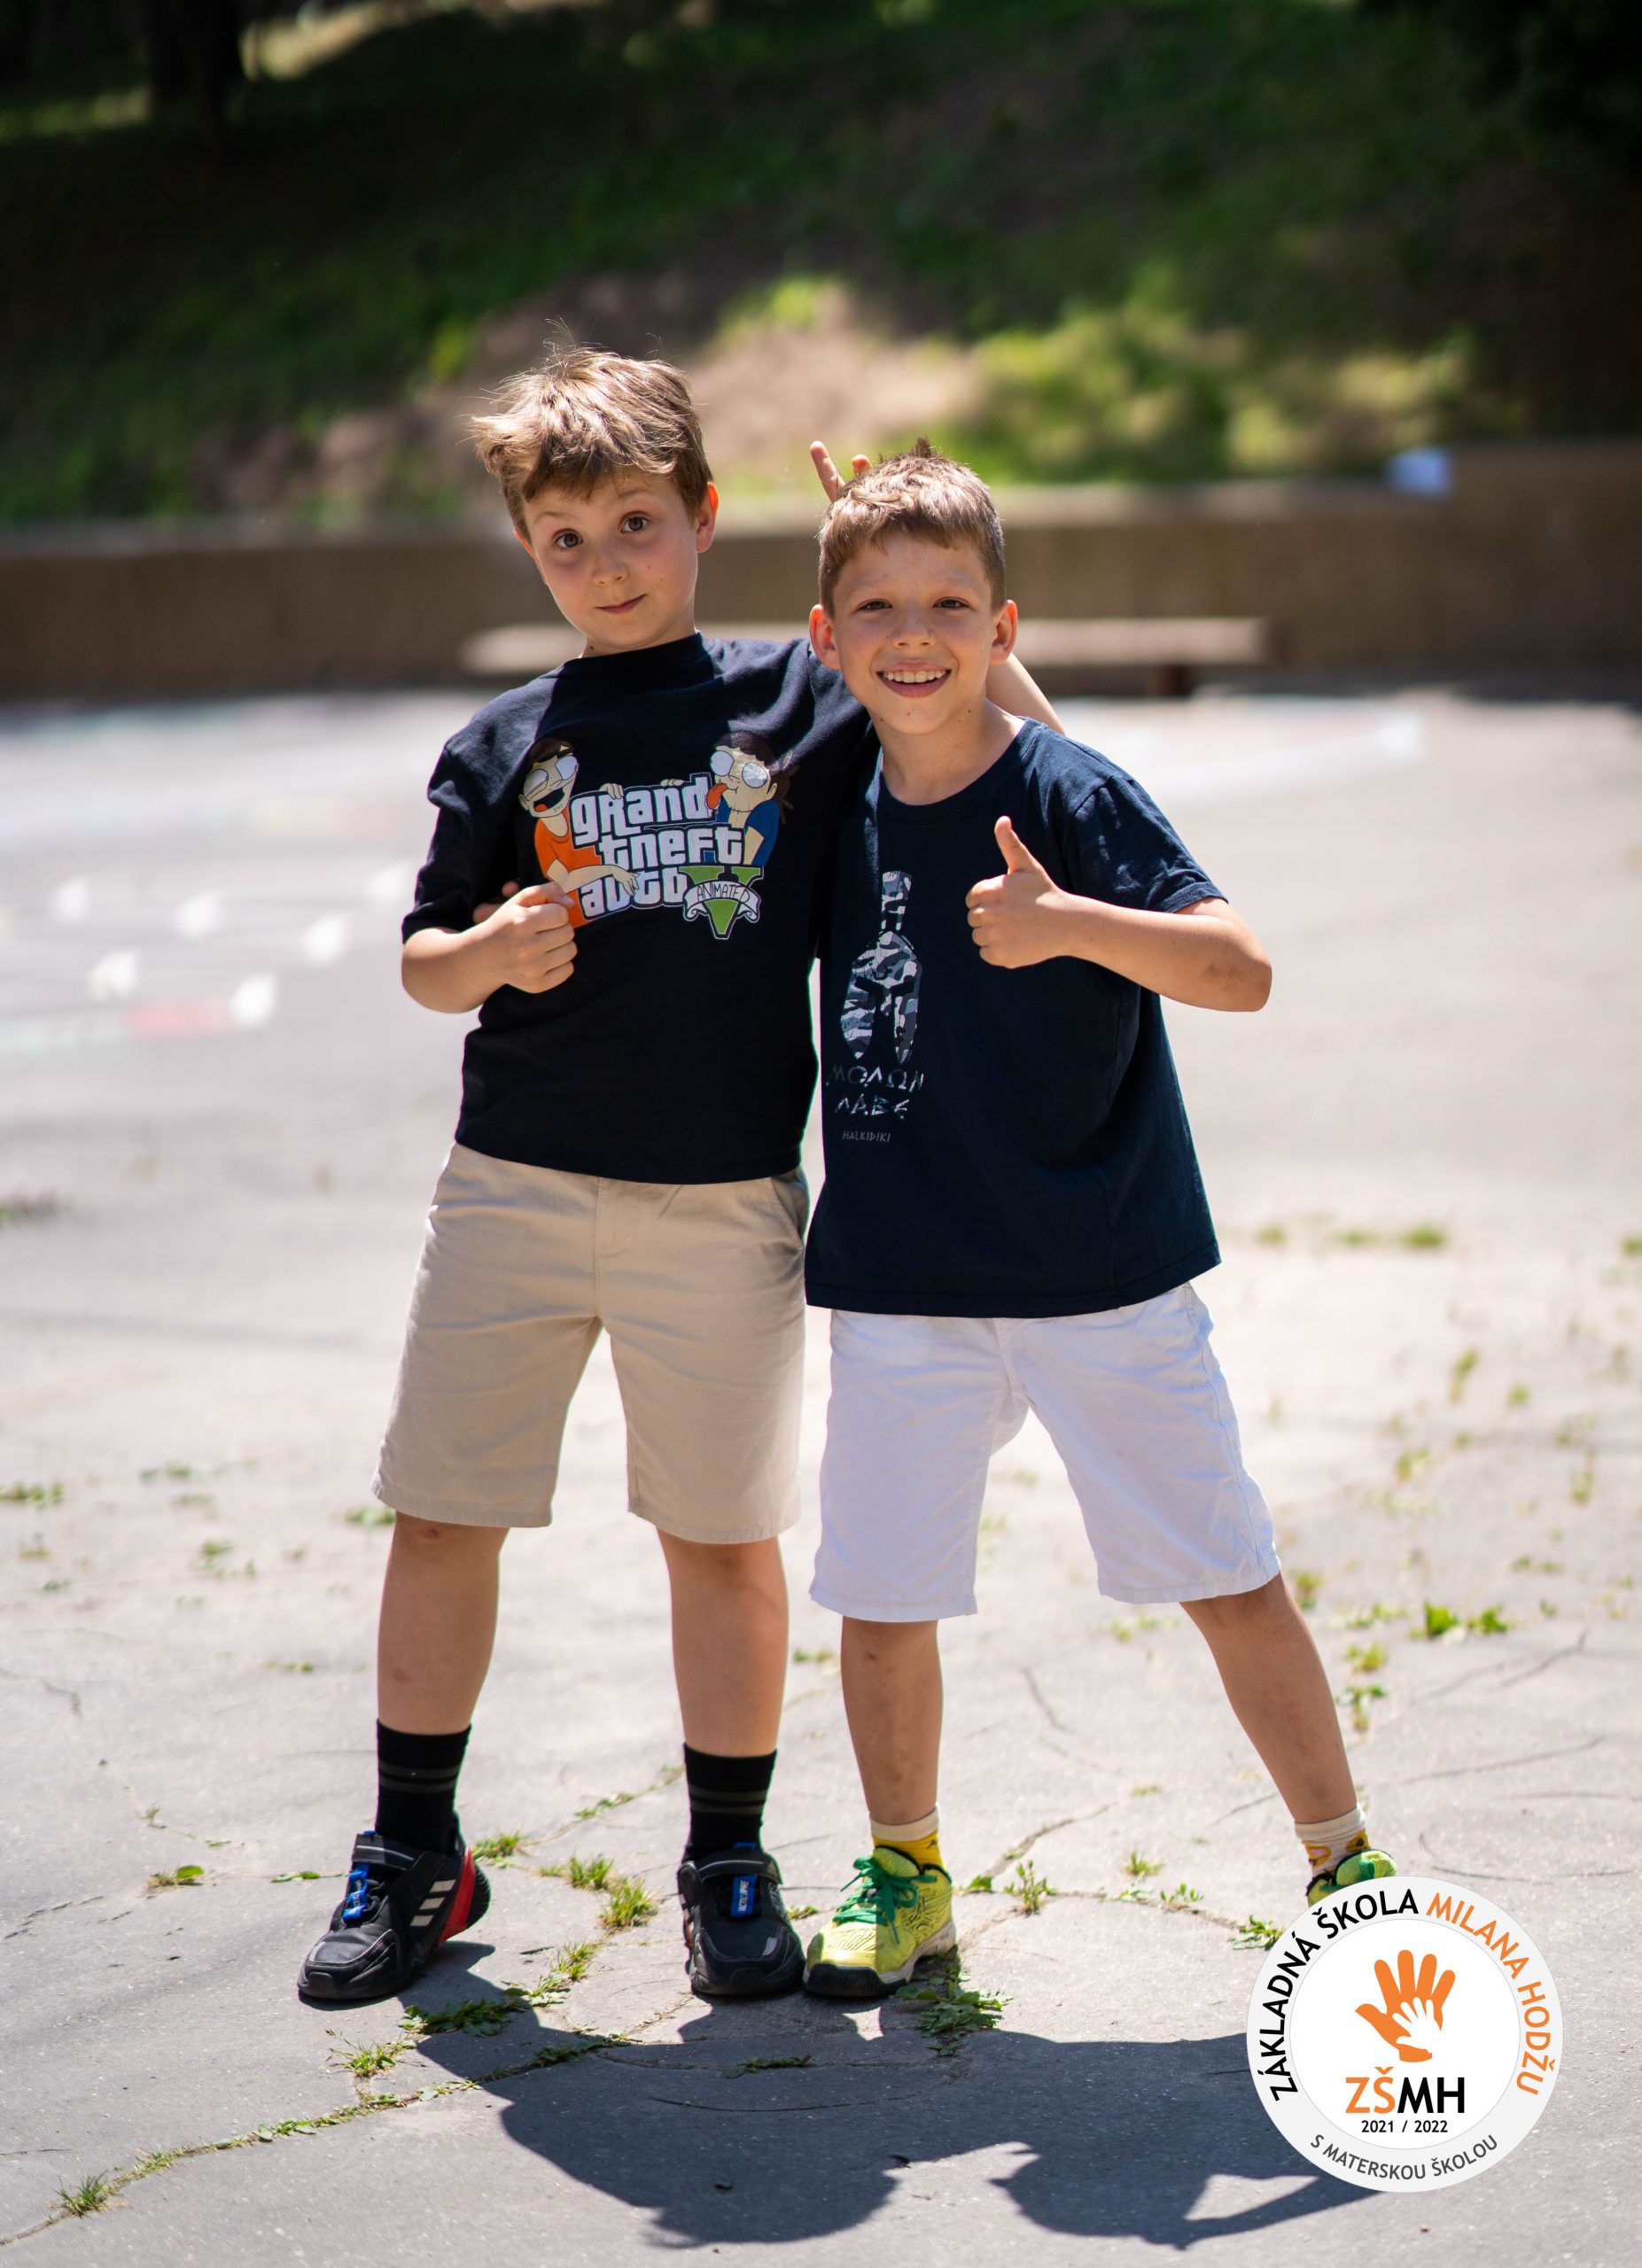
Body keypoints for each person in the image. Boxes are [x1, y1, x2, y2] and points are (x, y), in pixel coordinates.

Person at [295, 353, 1059, 2008]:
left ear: (707, 518)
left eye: (637, 523)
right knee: (446, 1514)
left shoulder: (802, 700)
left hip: (720, 1202)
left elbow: (1015, 752)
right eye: (565, 539)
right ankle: (413, 1851)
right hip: (510, 1187)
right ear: (530, 551)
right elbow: (423, 960)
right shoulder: (502, 744)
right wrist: (485, 954)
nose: (607, 563)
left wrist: (919, 578)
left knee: (720, 1539)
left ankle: (728, 1860)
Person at [797, 442, 1396, 2000]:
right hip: (904, 1282)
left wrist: (1066, 924)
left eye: (949, 605)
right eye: (876, 608)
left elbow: (1239, 970)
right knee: (881, 1598)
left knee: (1226, 1573)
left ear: (1005, 629)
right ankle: (905, 1871)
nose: (912, 635)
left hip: (1100, 1271)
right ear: (825, 637)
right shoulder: (834, 792)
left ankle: (1344, 1864)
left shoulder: (1070, 794)